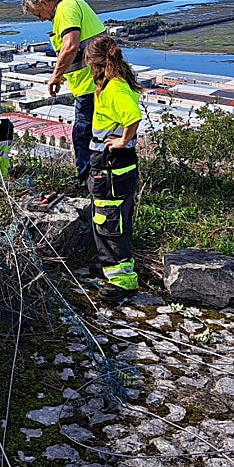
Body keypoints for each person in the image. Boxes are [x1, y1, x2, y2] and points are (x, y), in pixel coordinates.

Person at [21, 0, 106, 183]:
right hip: (96, 83)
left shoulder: (65, 9)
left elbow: (70, 46)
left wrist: (56, 76)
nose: (41, 19)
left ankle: (90, 183)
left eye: (38, 14)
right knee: (97, 135)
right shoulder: (72, 4)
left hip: (92, 85)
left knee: (83, 137)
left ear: (44, 3)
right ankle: (100, 180)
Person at [83, 35, 143, 302]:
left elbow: (133, 117)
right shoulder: (109, 84)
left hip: (112, 165)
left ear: (95, 61)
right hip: (106, 164)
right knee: (104, 218)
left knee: (112, 221)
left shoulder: (115, 88)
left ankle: (124, 281)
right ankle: (111, 270)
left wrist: (122, 141)